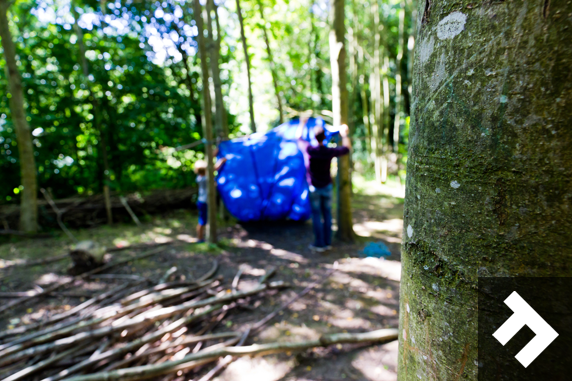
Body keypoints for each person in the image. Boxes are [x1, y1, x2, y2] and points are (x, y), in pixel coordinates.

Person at [297, 118, 351, 252]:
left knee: (316, 215)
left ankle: (319, 243)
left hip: (314, 187)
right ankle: (327, 243)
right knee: (327, 215)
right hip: (326, 187)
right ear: (324, 137)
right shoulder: (328, 151)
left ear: (314, 137)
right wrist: (344, 135)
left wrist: (302, 123)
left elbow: (298, 137)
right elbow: (346, 149)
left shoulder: (309, 149)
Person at [194, 152, 227, 243]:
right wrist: (221, 161)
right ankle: (200, 238)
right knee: (203, 221)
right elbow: (214, 168)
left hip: (202, 201)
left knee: (205, 220)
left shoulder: (199, 176)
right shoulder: (205, 178)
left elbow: (208, 165)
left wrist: (214, 153)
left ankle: (203, 237)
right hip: (204, 202)